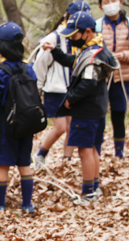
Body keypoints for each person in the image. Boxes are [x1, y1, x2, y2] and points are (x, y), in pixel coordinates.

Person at [43, 11, 118, 203]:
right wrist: (54, 50)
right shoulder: (94, 48)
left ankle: (88, 193)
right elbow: (73, 62)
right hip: (97, 109)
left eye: (74, 36)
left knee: (85, 151)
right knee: (92, 149)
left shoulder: (94, 56)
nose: (72, 40)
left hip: (87, 112)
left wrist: (71, 99)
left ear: (87, 32)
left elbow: (88, 84)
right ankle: (94, 186)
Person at [0, 22, 36, 212]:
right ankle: (27, 204)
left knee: (3, 165)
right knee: (24, 164)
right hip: (26, 125)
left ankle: (0, 204)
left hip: (5, 127)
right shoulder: (28, 69)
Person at [34, 2, 91, 167]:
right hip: (55, 88)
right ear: (68, 17)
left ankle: (66, 161)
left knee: (72, 127)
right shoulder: (55, 37)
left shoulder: (84, 39)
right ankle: (41, 154)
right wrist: (38, 86)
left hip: (72, 89)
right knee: (59, 127)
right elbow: (40, 62)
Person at [97, 0, 129, 160]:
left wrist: (123, 56)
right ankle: (96, 152)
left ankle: (119, 154)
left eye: (113, 0)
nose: (110, 4)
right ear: (100, 6)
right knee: (99, 114)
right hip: (101, 78)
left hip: (124, 78)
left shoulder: (128, 24)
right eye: (106, 1)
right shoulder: (97, 26)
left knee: (119, 113)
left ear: (120, 3)